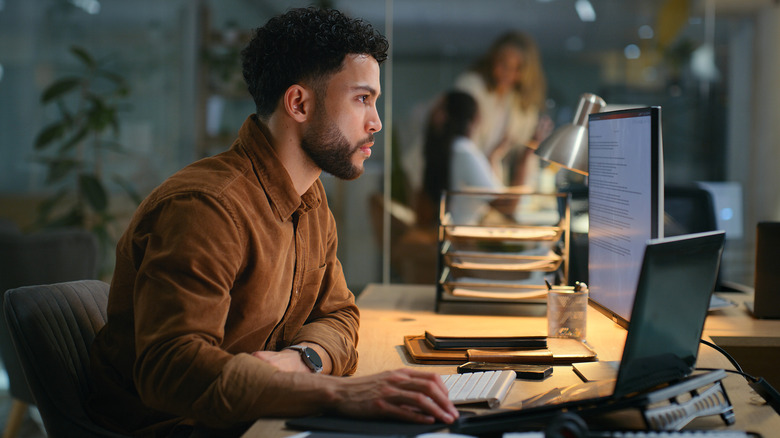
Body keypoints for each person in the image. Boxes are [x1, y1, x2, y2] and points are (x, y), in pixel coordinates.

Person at [86, 7, 458, 437]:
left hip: (263, 417)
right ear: (299, 103)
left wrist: (303, 360)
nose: (375, 122)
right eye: (362, 99)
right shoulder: (206, 208)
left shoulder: (310, 199)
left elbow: (340, 316)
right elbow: (171, 370)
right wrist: (337, 395)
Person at [454, 31, 549, 188]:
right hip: (462, 183)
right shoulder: (471, 88)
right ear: (493, 59)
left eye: (517, 68)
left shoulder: (518, 102)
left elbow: (524, 149)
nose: (508, 73)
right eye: (503, 64)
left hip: (489, 184)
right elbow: (463, 149)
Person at [416, 90, 502, 228]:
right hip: (462, 236)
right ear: (474, 119)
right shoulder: (464, 150)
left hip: (446, 233)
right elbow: (501, 203)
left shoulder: (445, 149)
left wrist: (494, 156)